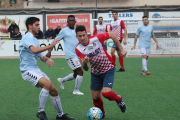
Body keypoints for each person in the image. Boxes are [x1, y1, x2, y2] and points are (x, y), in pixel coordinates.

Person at [19, 17, 74, 120]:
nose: (39, 27)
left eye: (39, 25)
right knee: (47, 84)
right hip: (27, 71)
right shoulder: (27, 37)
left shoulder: (35, 39)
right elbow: (34, 50)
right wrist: (50, 46)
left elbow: (40, 56)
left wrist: (46, 59)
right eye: (36, 25)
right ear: (30, 26)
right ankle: (40, 112)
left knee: (54, 90)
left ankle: (60, 115)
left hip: (36, 70)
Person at [75, 25, 127, 118]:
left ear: (87, 34)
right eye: (80, 36)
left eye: (83, 35)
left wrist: (121, 48)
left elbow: (111, 34)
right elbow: (86, 69)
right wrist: (85, 63)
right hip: (95, 73)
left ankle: (118, 99)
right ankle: (102, 114)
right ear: (76, 36)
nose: (82, 38)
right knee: (95, 97)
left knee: (106, 93)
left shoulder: (96, 38)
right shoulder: (78, 49)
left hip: (108, 68)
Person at [56, 15, 84, 95]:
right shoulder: (64, 31)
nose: (71, 22)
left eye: (73, 20)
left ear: (75, 22)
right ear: (67, 22)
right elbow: (56, 40)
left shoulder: (77, 31)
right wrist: (49, 51)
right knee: (80, 72)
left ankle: (62, 80)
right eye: (70, 20)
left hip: (77, 55)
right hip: (70, 55)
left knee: (76, 74)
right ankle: (76, 90)